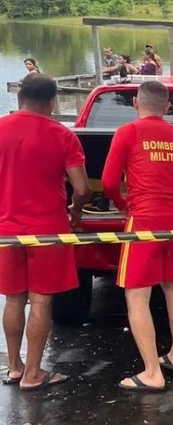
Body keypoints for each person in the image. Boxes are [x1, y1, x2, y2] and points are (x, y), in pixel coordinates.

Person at [101, 81, 173, 392]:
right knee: (172, 284)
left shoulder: (128, 132)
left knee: (137, 294)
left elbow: (109, 182)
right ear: (167, 107)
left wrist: (125, 206)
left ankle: (151, 373)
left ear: (136, 103)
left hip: (144, 219)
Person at [0, 74, 92, 391]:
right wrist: (76, 210)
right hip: (48, 230)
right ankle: (33, 374)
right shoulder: (62, 136)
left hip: (6, 230)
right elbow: (81, 188)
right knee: (40, 301)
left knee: (14, 299)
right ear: (52, 103)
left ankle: (14, 367)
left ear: (19, 99)